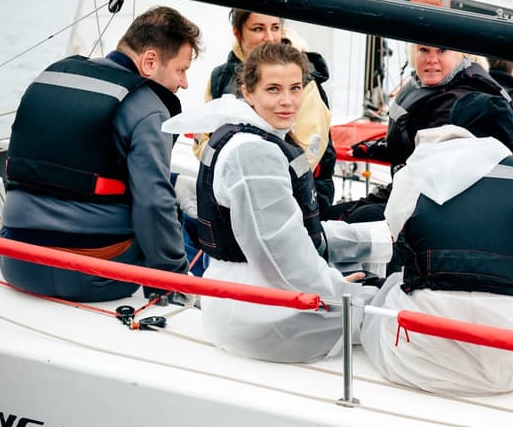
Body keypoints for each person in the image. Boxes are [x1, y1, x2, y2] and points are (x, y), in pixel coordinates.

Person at [162, 42, 392, 363]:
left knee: (379, 291)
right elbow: (280, 253)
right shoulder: (253, 153)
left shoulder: (247, 135)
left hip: (243, 299)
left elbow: (292, 233)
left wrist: (380, 239)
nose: (287, 101)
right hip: (261, 316)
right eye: (273, 89)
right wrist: (339, 289)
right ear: (248, 92)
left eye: (295, 88)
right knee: (392, 309)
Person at [361, 92, 513, 396]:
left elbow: (396, 232)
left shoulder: (415, 172)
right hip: (509, 363)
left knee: (393, 284)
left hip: (417, 357)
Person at [0, 6, 202, 302]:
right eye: (181, 70)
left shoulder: (51, 75)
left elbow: (58, 168)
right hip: (91, 277)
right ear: (149, 61)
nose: (184, 83)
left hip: (16, 263)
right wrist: (173, 279)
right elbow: (153, 203)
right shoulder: (149, 107)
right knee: (169, 211)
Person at [326, 44, 511, 222]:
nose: (431, 59)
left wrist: (354, 211)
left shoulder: (457, 102)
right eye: (423, 50)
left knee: (339, 219)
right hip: (409, 193)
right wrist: (376, 149)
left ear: (462, 54)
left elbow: (425, 179)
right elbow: (412, 143)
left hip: (430, 208)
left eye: (442, 50)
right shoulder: (427, 85)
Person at [199, 8, 337, 211]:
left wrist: (265, 182)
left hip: (299, 196)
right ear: (238, 32)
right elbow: (203, 141)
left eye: (275, 27)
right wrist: (234, 172)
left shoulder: (304, 78)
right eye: (258, 29)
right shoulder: (220, 78)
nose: (270, 37)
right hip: (233, 192)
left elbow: (310, 150)